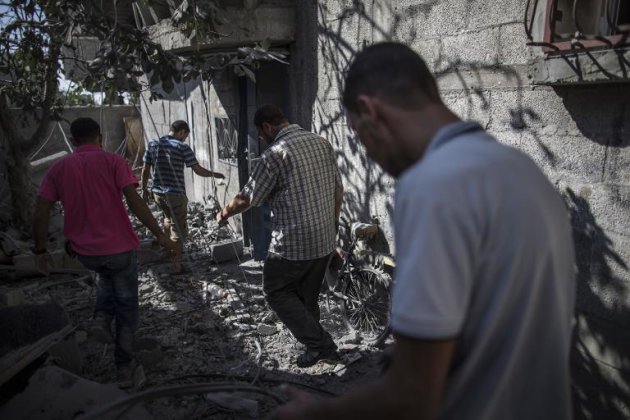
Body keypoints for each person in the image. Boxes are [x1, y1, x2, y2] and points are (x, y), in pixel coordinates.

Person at [276, 43, 576, 419]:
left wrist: (318, 414)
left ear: (370, 111)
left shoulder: (431, 184)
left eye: (359, 136)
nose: (370, 155)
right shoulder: (521, 170)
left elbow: (413, 397)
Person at [33, 117, 176, 387]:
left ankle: (101, 317)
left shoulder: (59, 168)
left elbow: (40, 212)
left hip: (85, 253)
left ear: (74, 140)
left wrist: (40, 250)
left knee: (104, 276)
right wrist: (161, 235)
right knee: (127, 308)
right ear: (100, 137)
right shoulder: (114, 161)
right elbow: (135, 203)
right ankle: (123, 366)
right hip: (119, 250)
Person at [217, 105, 344, 368]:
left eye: (261, 135)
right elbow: (338, 191)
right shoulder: (321, 142)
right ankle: (316, 348)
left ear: (266, 127)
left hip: (292, 243)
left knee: (275, 291)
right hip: (323, 239)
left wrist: (224, 214)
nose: (263, 139)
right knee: (307, 298)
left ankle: (322, 345)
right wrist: (332, 230)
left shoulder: (275, 153)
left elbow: (247, 198)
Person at [141, 120, 224, 274]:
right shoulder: (182, 147)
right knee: (178, 231)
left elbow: (145, 169)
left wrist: (144, 188)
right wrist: (215, 174)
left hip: (158, 193)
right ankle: (176, 266)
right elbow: (197, 170)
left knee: (167, 219)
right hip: (175, 194)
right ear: (182, 132)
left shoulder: (153, 144)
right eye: (185, 135)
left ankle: (166, 252)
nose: (185, 139)